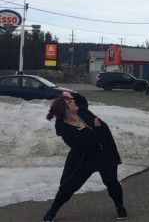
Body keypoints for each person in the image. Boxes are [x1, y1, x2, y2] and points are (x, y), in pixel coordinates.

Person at [42, 92, 128, 221]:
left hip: (104, 153)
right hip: (83, 158)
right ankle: (53, 210)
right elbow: (88, 146)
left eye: (71, 100)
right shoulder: (65, 130)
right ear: (65, 110)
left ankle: (120, 207)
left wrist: (69, 94)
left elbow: (80, 99)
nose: (73, 102)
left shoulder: (81, 110)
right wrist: (97, 128)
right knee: (68, 187)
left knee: (112, 183)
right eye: (70, 102)